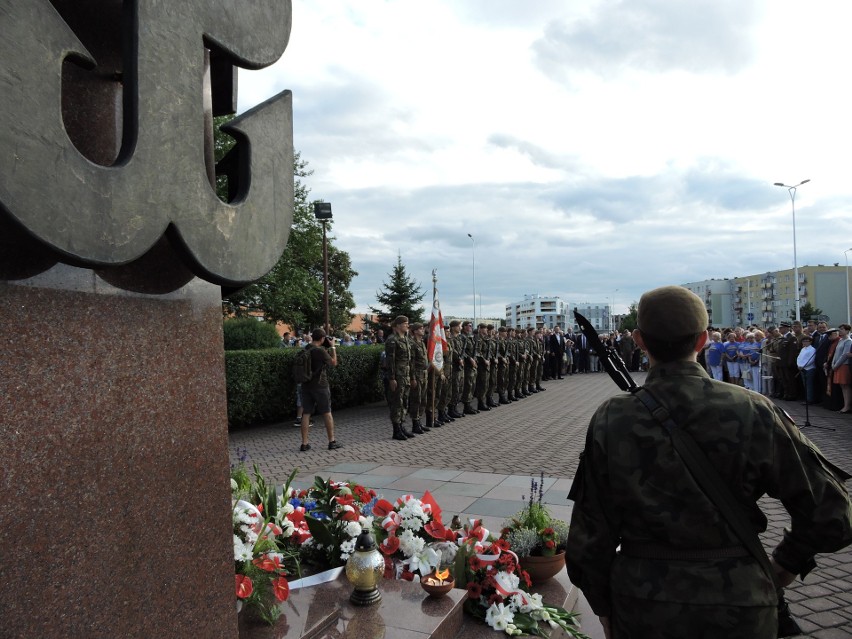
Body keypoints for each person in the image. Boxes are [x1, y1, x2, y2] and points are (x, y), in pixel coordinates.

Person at [566, 286, 852, 639]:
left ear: (639, 341)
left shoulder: (613, 417)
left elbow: (589, 532)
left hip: (642, 604)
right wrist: (783, 566)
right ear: (703, 340)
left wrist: (602, 605)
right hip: (741, 602)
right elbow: (833, 513)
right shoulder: (752, 409)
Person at [298, 328, 342, 452]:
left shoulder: (306, 348)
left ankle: (304, 443)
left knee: (306, 413)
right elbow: (333, 363)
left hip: (306, 385)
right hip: (320, 385)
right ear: (322, 339)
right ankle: (331, 441)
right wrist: (333, 347)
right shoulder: (320, 351)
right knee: (327, 412)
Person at [385, 316, 415, 440]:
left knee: (404, 401)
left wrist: (412, 376)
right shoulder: (392, 340)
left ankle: (401, 426)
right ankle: (396, 430)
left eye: (407, 323)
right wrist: (392, 378)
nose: (407, 325)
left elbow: (410, 361)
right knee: (397, 402)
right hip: (397, 375)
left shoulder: (406, 339)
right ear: (397, 325)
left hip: (406, 375)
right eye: (405, 323)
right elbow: (390, 361)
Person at [830, 324, 852, 413]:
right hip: (837, 365)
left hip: (843, 365)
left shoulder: (848, 341)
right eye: (839, 329)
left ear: (847, 331)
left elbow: (845, 355)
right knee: (842, 386)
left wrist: (836, 365)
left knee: (846, 386)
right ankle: (845, 405)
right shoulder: (840, 341)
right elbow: (835, 353)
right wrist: (833, 363)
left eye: (842, 329)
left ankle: (847, 406)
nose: (840, 331)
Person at [796, 335, 817, 405]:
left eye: (806, 341)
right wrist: (799, 365)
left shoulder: (812, 349)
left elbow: (811, 359)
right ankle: (807, 398)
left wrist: (803, 365)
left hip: (809, 368)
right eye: (803, 341)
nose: (804, 343)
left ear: (810, 342)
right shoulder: (803, 349)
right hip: (802, 369)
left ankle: (810, 399)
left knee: (809, 385)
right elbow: (799, 358)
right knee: (805, 385)